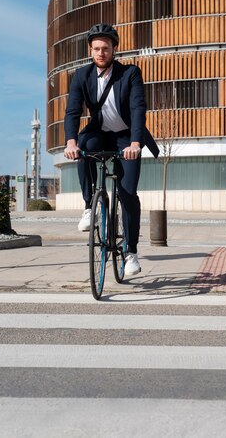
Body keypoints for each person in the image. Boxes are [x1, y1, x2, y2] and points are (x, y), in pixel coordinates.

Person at [63, 23, 159, 277]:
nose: (101, 53)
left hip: (127, 138)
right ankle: (89, 206)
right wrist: (70, 141)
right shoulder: (81, 75)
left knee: (127, 194)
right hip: (100, 134)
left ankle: (131, 253)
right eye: (96, 49)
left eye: (105, 48)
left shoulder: (129, 74)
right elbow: (73, 110)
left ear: (114, 49)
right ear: (90, 50)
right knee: (83, 146)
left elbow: (139, 109)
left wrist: (136, 144)